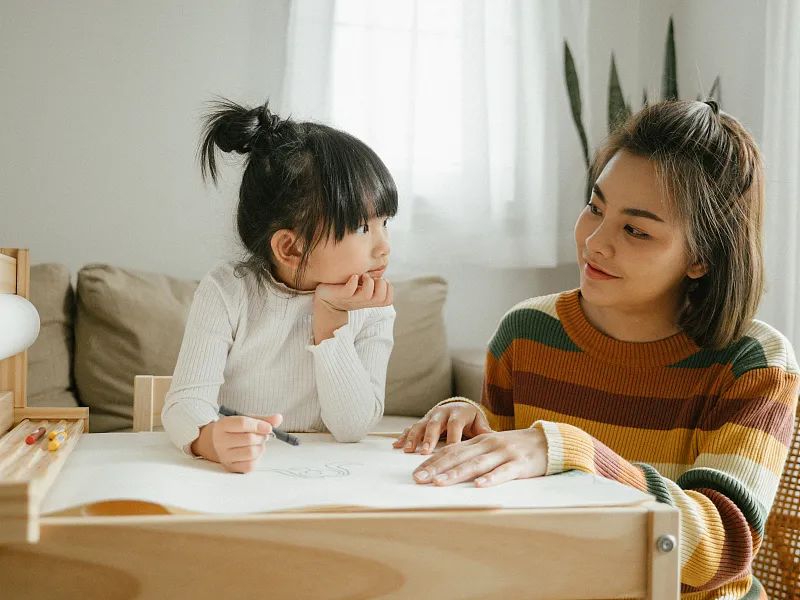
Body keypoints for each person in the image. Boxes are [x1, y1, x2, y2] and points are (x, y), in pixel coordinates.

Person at [395, 100, 799, 599]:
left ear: (701, 257)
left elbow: (718, 552)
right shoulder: (527, 333)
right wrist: (462, 421)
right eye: (595, 207)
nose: (595, 242)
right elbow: (495, 490)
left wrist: (574, 451)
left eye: (636, 229)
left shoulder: (754, 363)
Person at [163, 98, 397, 473]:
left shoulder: (374, 307)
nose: (384, 246)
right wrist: (211, 440)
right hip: (243, 477)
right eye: (361, 228)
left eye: (385, 222)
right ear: (290, 247)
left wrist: (331, 322)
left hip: (324, 476)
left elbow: (352, 428)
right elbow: (184, 403)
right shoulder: (228, 291)